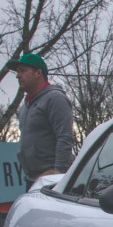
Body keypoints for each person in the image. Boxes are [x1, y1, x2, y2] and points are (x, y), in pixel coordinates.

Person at [6, 53, 75, 189]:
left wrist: (58, 173)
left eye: (23, 71)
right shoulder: (26, 105)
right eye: (17, 71)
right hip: (32, 179)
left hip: (53, 180)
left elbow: (65, 137)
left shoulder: (55, 98)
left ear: (38, 73)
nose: (17, 76)